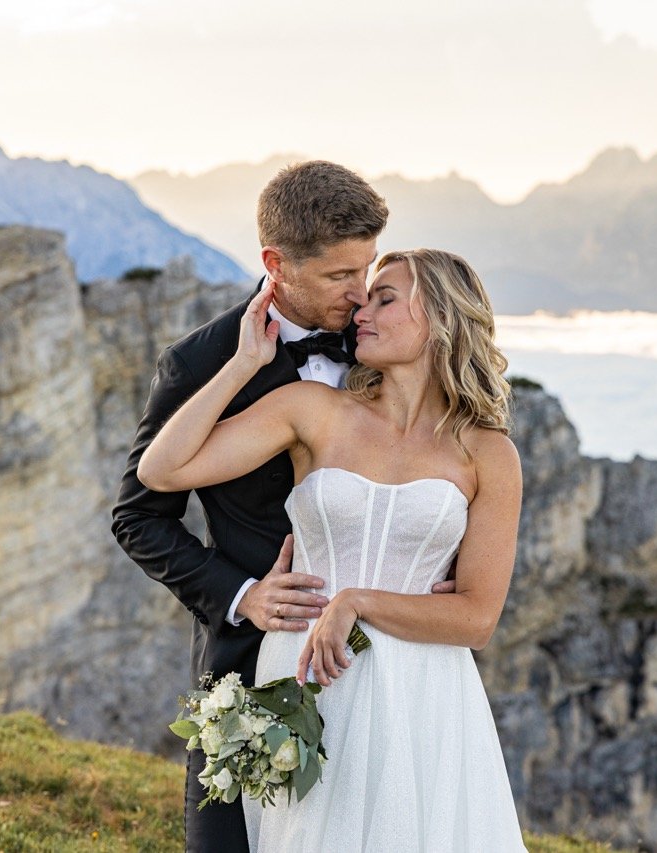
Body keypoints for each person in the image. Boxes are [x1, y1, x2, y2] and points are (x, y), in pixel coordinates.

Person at [113, 161, 456, 852]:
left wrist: (430, 572)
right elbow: (139, 515)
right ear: (277, 264)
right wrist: (242, 594)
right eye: (339, 277)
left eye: (367, 271)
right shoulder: (199, 362)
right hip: (248, 660)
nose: (360, 295)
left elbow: (429, 469)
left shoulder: (381, 343)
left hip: (380, 665)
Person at [137, 249, 527, 851]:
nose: (360, 310)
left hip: (421, 690)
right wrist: (244, 363)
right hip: (305, 675)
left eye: (384, 297)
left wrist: (357, 602)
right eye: (364, 295)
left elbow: (477, 618)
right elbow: (163, 470)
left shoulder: (488, 454)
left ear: (443, 316)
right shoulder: (312, 410)